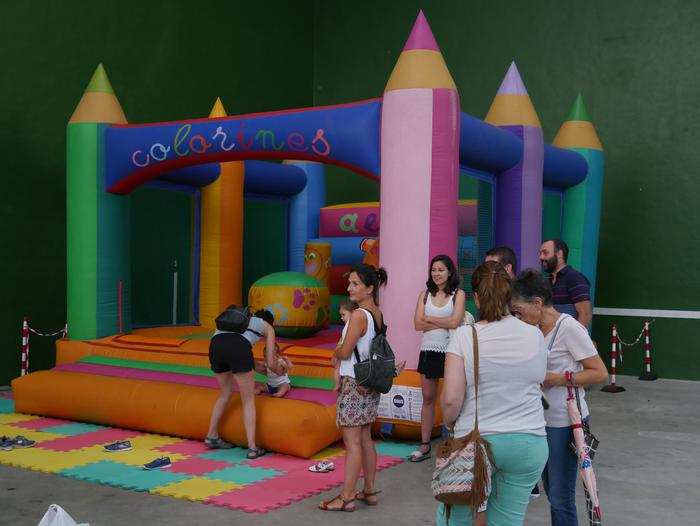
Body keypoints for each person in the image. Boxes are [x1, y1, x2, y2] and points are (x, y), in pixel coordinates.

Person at [439, 261, 548, 526]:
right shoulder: (534, 334)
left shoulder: (464, 336)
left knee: (457, 519)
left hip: (476, 441)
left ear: (476, 297)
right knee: (507, 521)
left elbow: (452, 399)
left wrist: (449, 422)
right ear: (510, 295)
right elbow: (537, 380)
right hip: (528, 441)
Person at [512, 269, 609, 526]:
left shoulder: (569, 328)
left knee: (560, 495)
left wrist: (558, 378)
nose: (517, 317)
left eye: (519, 310)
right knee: (551, 490)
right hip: (537, 421)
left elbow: (599, 372)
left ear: (538, 303)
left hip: (564, 422)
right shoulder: (532, 331)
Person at [319, 264, 388, 512]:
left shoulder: (358, 315)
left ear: (369, 288)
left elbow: (345, 351)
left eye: (355, 283)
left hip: (354, 383)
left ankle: (346, 497)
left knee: (352, 443)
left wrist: (336, 350)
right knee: (365, 438)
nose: (349, 288)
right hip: (370, 382)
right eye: (350, 283)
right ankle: (369, 490)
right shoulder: (376, 313)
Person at [206, 309, 287, 459]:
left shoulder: (238, 319)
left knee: (225, 393)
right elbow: (271, 363)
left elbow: (236, 349)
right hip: (238, 348)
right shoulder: (267, 327)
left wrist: (257, 367)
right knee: (248, 399)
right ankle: (252, 447)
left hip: (215, 346)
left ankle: (212, 436)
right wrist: (281, 372)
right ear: (270, 322)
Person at [410, 254, 467, 462]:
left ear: (450, 272)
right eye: (434, 270)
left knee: (454, 397)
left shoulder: (458, 294)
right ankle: (424, 445)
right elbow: (418, 324)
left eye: (441, 270)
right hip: (428, 349)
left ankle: (456, 441)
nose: (437, 274)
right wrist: (444, 321)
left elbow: (455, 322)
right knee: (428, 398)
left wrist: (430, 319)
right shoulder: (424, 295)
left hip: (452, 350)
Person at [539, 239, 592, 329]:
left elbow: (585, 314)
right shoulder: (545, 281)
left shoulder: (575, 278)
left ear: (559, 254)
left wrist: (575, 337)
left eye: (545, 253)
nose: (541, 257)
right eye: (540, 253)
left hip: (569, 336)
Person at [333, 299, 358, 392]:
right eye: (341, 315)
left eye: (343, 315)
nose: (341, 318)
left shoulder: (350, 325)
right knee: (337, 367)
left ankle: (337, 383)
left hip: (344, 352)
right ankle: (337, 383)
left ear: (353, 313)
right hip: (345, 352)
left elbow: (343, 343)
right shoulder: (351, 325)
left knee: (337, 367)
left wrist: (336, 354)